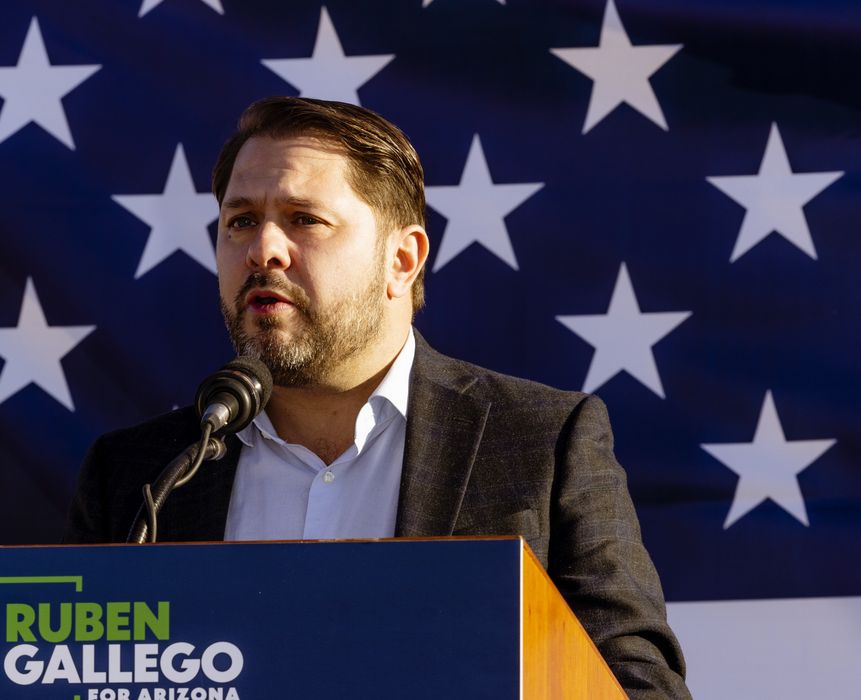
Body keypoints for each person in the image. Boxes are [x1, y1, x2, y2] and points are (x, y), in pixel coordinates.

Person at [65, 96, 690, 698]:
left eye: (305, 219)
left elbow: (637, 688)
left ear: (402, 258)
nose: (263, 249)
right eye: (241, 221)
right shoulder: (140, 477)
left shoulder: (541, 444)